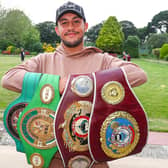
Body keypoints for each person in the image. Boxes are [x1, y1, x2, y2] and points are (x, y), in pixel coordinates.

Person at [1, 1, 147, 168]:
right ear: (57, 29)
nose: (71, 27)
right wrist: (56, 84)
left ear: (85, 26)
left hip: (94, 159)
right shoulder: (43, 60)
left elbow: (138, 75)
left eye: (76, 22)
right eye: (64, 23)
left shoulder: (102, 60)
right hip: (50, 158)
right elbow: (9, 78)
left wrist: (81, 85)